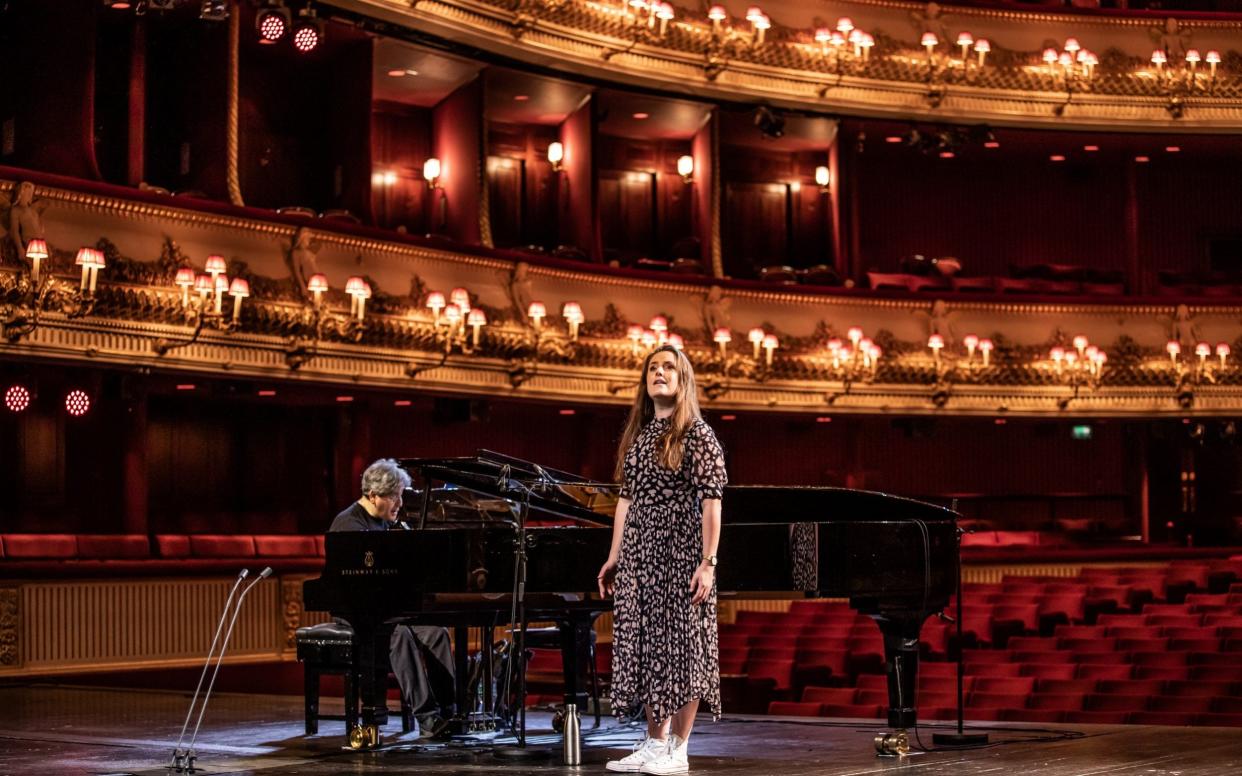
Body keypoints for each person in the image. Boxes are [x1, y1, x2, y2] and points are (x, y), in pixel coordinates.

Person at [598, 345, 727, 775]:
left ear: (682, 379)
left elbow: (712, 502)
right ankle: (655, 743)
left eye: (668, 367)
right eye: (652, 368)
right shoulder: (639, 436)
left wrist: (708, 562)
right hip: (639, 551)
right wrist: (615, 556)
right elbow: (625, 500)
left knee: (686, 647)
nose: (658, 373)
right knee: (652, 647)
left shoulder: (697, 432)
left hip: (680, 549)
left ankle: (679, 748)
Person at [329, 458, 456, 735]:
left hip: (385, 608)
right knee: (399, 635)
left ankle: (450, 708)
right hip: (355, 612)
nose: (400, 503)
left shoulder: (383, 523)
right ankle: (428, 718)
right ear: (374, 496)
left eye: (400, 496)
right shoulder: (348, 527)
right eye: (395, 497)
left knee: (436, 631)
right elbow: (351, 589)